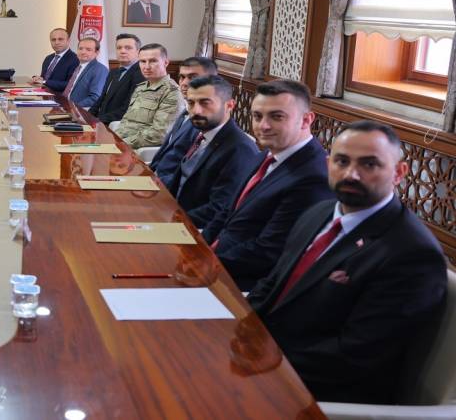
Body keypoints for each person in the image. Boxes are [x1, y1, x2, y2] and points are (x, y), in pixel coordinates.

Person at [249, 121, 447, 404]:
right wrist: (235, 329)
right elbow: (271, 286)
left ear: (399, 173)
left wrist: (261, 359)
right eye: (342, 161)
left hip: (319, 392)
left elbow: (355, 356)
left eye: (369, 165)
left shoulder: (411, 254)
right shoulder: (317, 214)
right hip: (268, 358)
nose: (351, 174)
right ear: (329, 164)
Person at [202, 80, 334, 291]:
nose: (263, 125)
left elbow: (269, 251)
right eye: (257, 116)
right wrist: (196, 245)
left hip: (244, 282)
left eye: (277, 116)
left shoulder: (313, 177)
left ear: (306, 120)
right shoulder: (266, 154)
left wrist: (205, 263)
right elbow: (229, 211)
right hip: (215, 260)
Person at [166, 75, 259, 228]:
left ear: (229, 105)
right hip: (173, 212)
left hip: (191, 228)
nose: (196, 110)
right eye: (191, 103)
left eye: (205, 103)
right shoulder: (202, 133)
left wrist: (171, 221)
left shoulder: (240, 149)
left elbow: (219, 209)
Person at [150, 57, 216, 185]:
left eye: (192, 77)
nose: (184, 83)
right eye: (182, 77)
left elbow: (188, 174)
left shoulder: (205, 122)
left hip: (168, 188)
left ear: (212, 80)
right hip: (155, 179)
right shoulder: (185, 112)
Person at [114, 43, 182, 149]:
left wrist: (119, 144)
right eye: (142, 61)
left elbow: (159, 134)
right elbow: (126, 122)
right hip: (119, 143)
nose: (146, 66)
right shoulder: (141, 88)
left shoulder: (172, 92)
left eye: (153, 61)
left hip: (135, 150)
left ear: (166, 62)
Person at [89, 33, 146, 124]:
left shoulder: (142, 74)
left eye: (128, 48)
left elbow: (128, 108)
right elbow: (101, 99)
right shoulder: (113, 72)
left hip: (117, 126)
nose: (122, 51)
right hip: (101, 122)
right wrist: (87, 116)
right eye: (119, 48)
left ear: (138, 51)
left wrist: (97, 120)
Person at [63, 37, 109, 108]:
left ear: (97, 52)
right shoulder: (78, 67)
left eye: (88, 49)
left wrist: (73, 107)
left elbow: (95, 98)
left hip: (82, 111)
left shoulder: (100, 69)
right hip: (66, 107)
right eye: (80, 48)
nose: (83, 52)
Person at [30, 27, 78, 92]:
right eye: (53, 40)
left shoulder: (75, 59)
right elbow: (44, 79)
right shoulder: (48, 58)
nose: (56, 42)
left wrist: (44, 81)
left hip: (61, 99)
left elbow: (70, 85)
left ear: (68, 40)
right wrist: (38, 79)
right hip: (43, 96)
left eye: (60, 39)